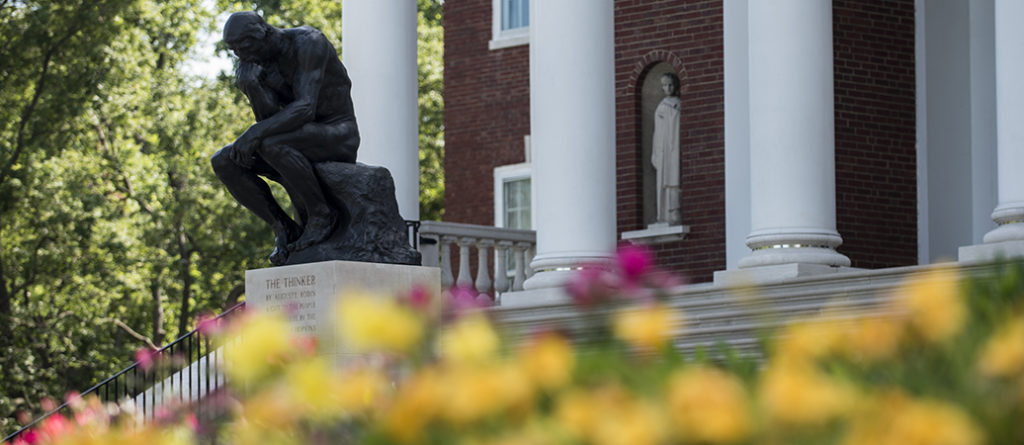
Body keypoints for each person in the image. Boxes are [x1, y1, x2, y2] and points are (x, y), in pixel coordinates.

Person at [211, 11, 360, 265]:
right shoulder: (255, 63)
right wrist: (252, 88)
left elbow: (305, 108)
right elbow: (267, 118)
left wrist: (254, 133)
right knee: (224, 160)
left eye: (242, 45)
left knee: (269, 141)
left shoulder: (308, 42)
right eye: (233, 49)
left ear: (263, 33)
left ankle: (322, 214)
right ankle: (282, 227)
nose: (238, 54)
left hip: (337, 133)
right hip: (298, 139)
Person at [651, 72, 681, 225]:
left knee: (673, 178)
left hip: (673, 148)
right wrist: (655, 152)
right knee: (662, 180)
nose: (668, 88)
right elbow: (657, 131)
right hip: (663, 150)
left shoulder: (677, 104)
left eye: (670, 84)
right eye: (665, 85)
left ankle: (674, 211)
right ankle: (662, 215)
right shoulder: (661, 106)